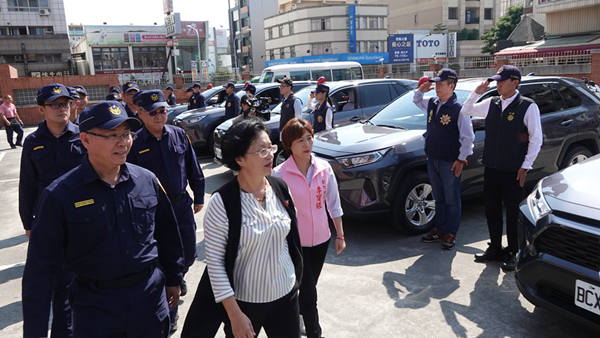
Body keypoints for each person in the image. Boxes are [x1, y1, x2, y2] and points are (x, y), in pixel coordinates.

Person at [22, 100, 184, 338]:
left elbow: (168, 234)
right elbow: (39, 270)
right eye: (112, 135)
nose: (123, 142)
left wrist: (174, 278)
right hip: (96, 307)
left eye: (127, 134)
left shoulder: (146, 180)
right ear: (86, 140)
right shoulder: (60, 195)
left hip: (148, 300)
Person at [181, 118, 303, 338]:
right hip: (246, 303)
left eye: (270, 147)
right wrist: (234, 314)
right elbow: (216, 265)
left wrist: (297, 283)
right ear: (239, 159)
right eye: (261, 151)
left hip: (286, 294)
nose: (270, 155)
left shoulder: (280, 188)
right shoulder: (223, 202)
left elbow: (291, 241)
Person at [127, 89, 205, 333]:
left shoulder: (179, 135)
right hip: (153, 210)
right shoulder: (134, 143)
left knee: (189, 252)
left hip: (181, 204)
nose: (160, 115)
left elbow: (193, 167)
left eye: (163, 110)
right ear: (139, 113)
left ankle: (177, 274)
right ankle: (170, 309)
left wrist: (199, 196)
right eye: (153, 111)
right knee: (161, 258)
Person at [19, 83, 87, 338]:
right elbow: (27, 185)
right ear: (41, 109)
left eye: (66, 103)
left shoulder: (82, 136)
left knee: (67, 291)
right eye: (55, 104)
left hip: (77, 224)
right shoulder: (33, 142)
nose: (62, 108)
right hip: (45, 225)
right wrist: (28, 223)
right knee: (37, 289)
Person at [461, 65, 542, 271]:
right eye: (497, 80)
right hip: (492, 168)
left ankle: (512, 251)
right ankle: (495, 248)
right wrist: (476, 93)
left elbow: (535, 139)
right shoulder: (492, 103)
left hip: (514, 170)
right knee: (492, 210)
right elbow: (466, 110)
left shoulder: (527, 106)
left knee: (513, 213)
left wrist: (525, 166)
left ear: (515, 83)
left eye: (502, 81)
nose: (498, 84)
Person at [272, 118, 346, 338]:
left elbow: (333, 204)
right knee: (309, 294)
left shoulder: (324, 168)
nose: (306, 144)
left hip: (322, 239)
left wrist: (339, 235)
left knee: (308, 286)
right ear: (288, 145)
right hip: (296, 244)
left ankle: (301, 316)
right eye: (300, 140)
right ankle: (314, 332)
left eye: (309, 138)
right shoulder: (279, 174)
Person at [413, 69, 474, 250]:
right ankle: (439, 229)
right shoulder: (433, 102)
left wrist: (461, 159)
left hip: (449, 161)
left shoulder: (459, 109)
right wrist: (421, 90)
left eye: (441, 84)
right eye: (436, 84)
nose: (437, 87)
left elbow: (468, 138)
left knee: (451, 200)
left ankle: (451, 233)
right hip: (433, 158)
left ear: (451, 86)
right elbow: (416, 101)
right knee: (438, 198)